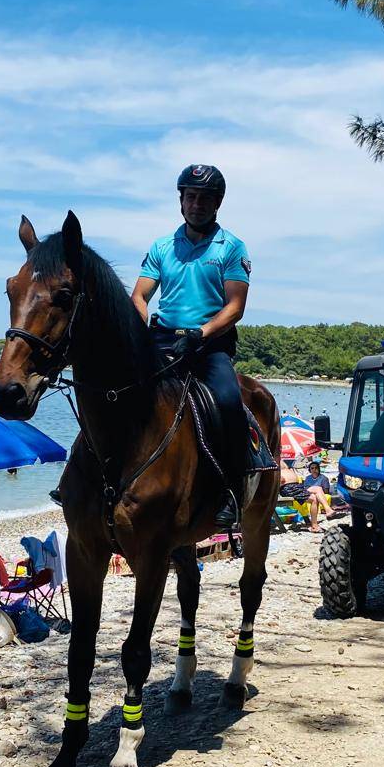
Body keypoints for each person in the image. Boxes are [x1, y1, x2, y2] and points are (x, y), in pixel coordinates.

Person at [132, 163, 253, 527]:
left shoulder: (231, 247)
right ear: (181, 200)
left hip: (209, 344)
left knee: (230, 402)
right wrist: (140, 334)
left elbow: (235, 307)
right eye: (191, 197)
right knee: (114, 392)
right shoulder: (162, 246)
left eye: (205, 198)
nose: (197, 204)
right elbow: (139, 296)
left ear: (217, 204)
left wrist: (200, 334)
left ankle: (231, 490)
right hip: (163, 340)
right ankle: (87, 477)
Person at [300, 456, 336, 532]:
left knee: (316, 495)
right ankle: (327, 509)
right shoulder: (307, 478)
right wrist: (314, 490)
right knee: (317, 488)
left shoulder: (323, 478)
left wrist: (316, 493)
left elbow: (326, 491)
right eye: (312, 468)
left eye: (316, 468)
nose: (314, 470)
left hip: (319, 494)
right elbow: (305, 490)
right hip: (309, 492)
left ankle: (314, 524)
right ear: (309, 470)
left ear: (318, 469)